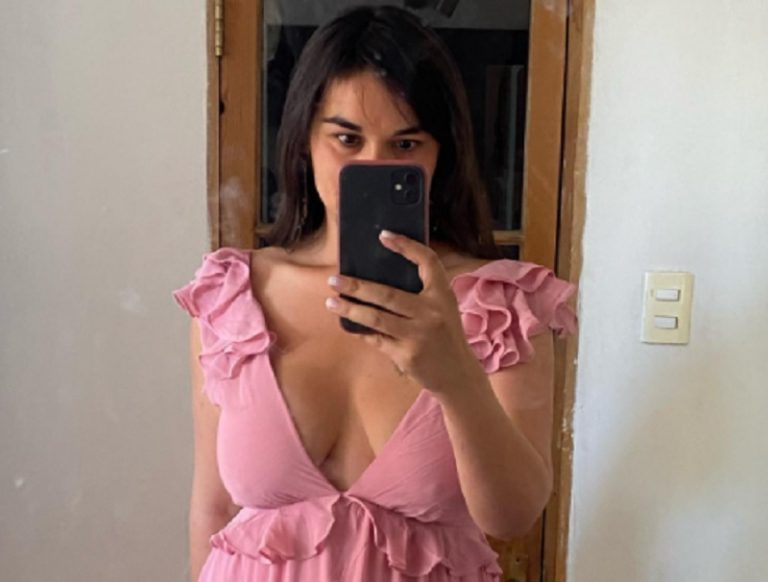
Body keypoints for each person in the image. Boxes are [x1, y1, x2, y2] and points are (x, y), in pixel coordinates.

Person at [173, 6, 577, 581]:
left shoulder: (500, 306)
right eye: (346, 138)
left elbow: (512, 518)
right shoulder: (233, 300)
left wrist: (456, 379)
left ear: (441, 154)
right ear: (305, 141)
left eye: (405, 144)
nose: (373, 164)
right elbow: (213, 510)